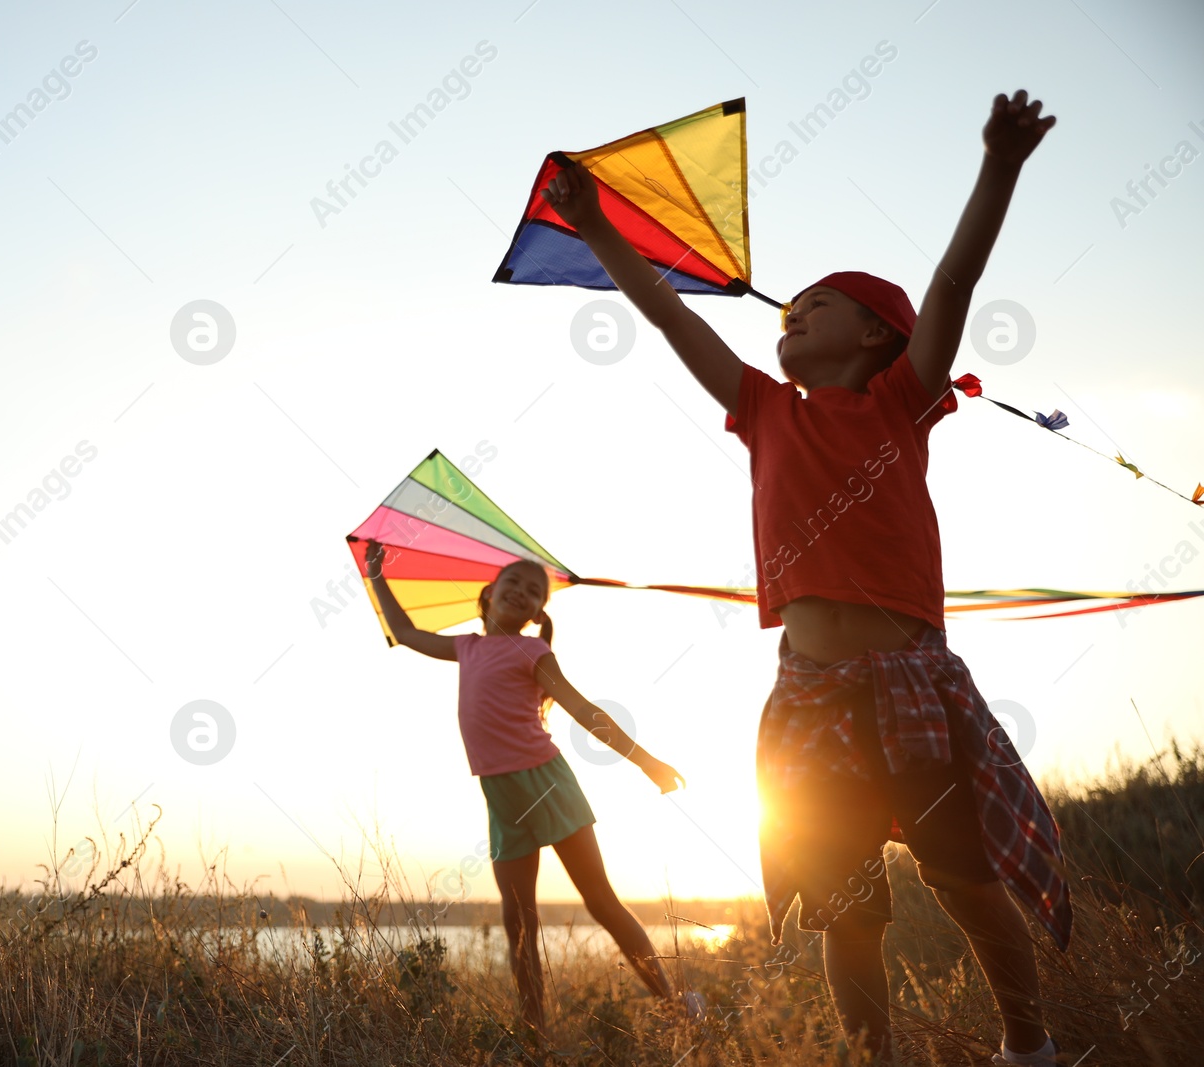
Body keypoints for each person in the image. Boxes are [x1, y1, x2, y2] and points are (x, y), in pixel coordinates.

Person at [538, 91, 1068, 1066]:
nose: (790, 316)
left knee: (964, 879)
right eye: (785, 310)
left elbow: (949, 285)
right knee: (843, 906)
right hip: (808, 693)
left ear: (875, 336)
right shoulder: (760, 406)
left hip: (908, 681)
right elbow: (664, 312)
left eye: (814, 303)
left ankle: (1026, 1046)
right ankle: (873, 1055)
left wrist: (998, 166)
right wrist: (597, 226)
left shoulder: (902, 399)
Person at [363, 539, 686, 1038]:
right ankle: (533, 1034)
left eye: (534, 591)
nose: (521, 591)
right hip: (501, 797)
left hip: (548, 785)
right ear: (488, 594)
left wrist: (647, 762)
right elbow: (403, 632)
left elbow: (583, 712)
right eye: (513, 582)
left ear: (538, 612)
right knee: (518, 923)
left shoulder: (533, 650)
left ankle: (674, 1004)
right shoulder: (465, 647)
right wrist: (377, 574)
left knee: (600, 902)